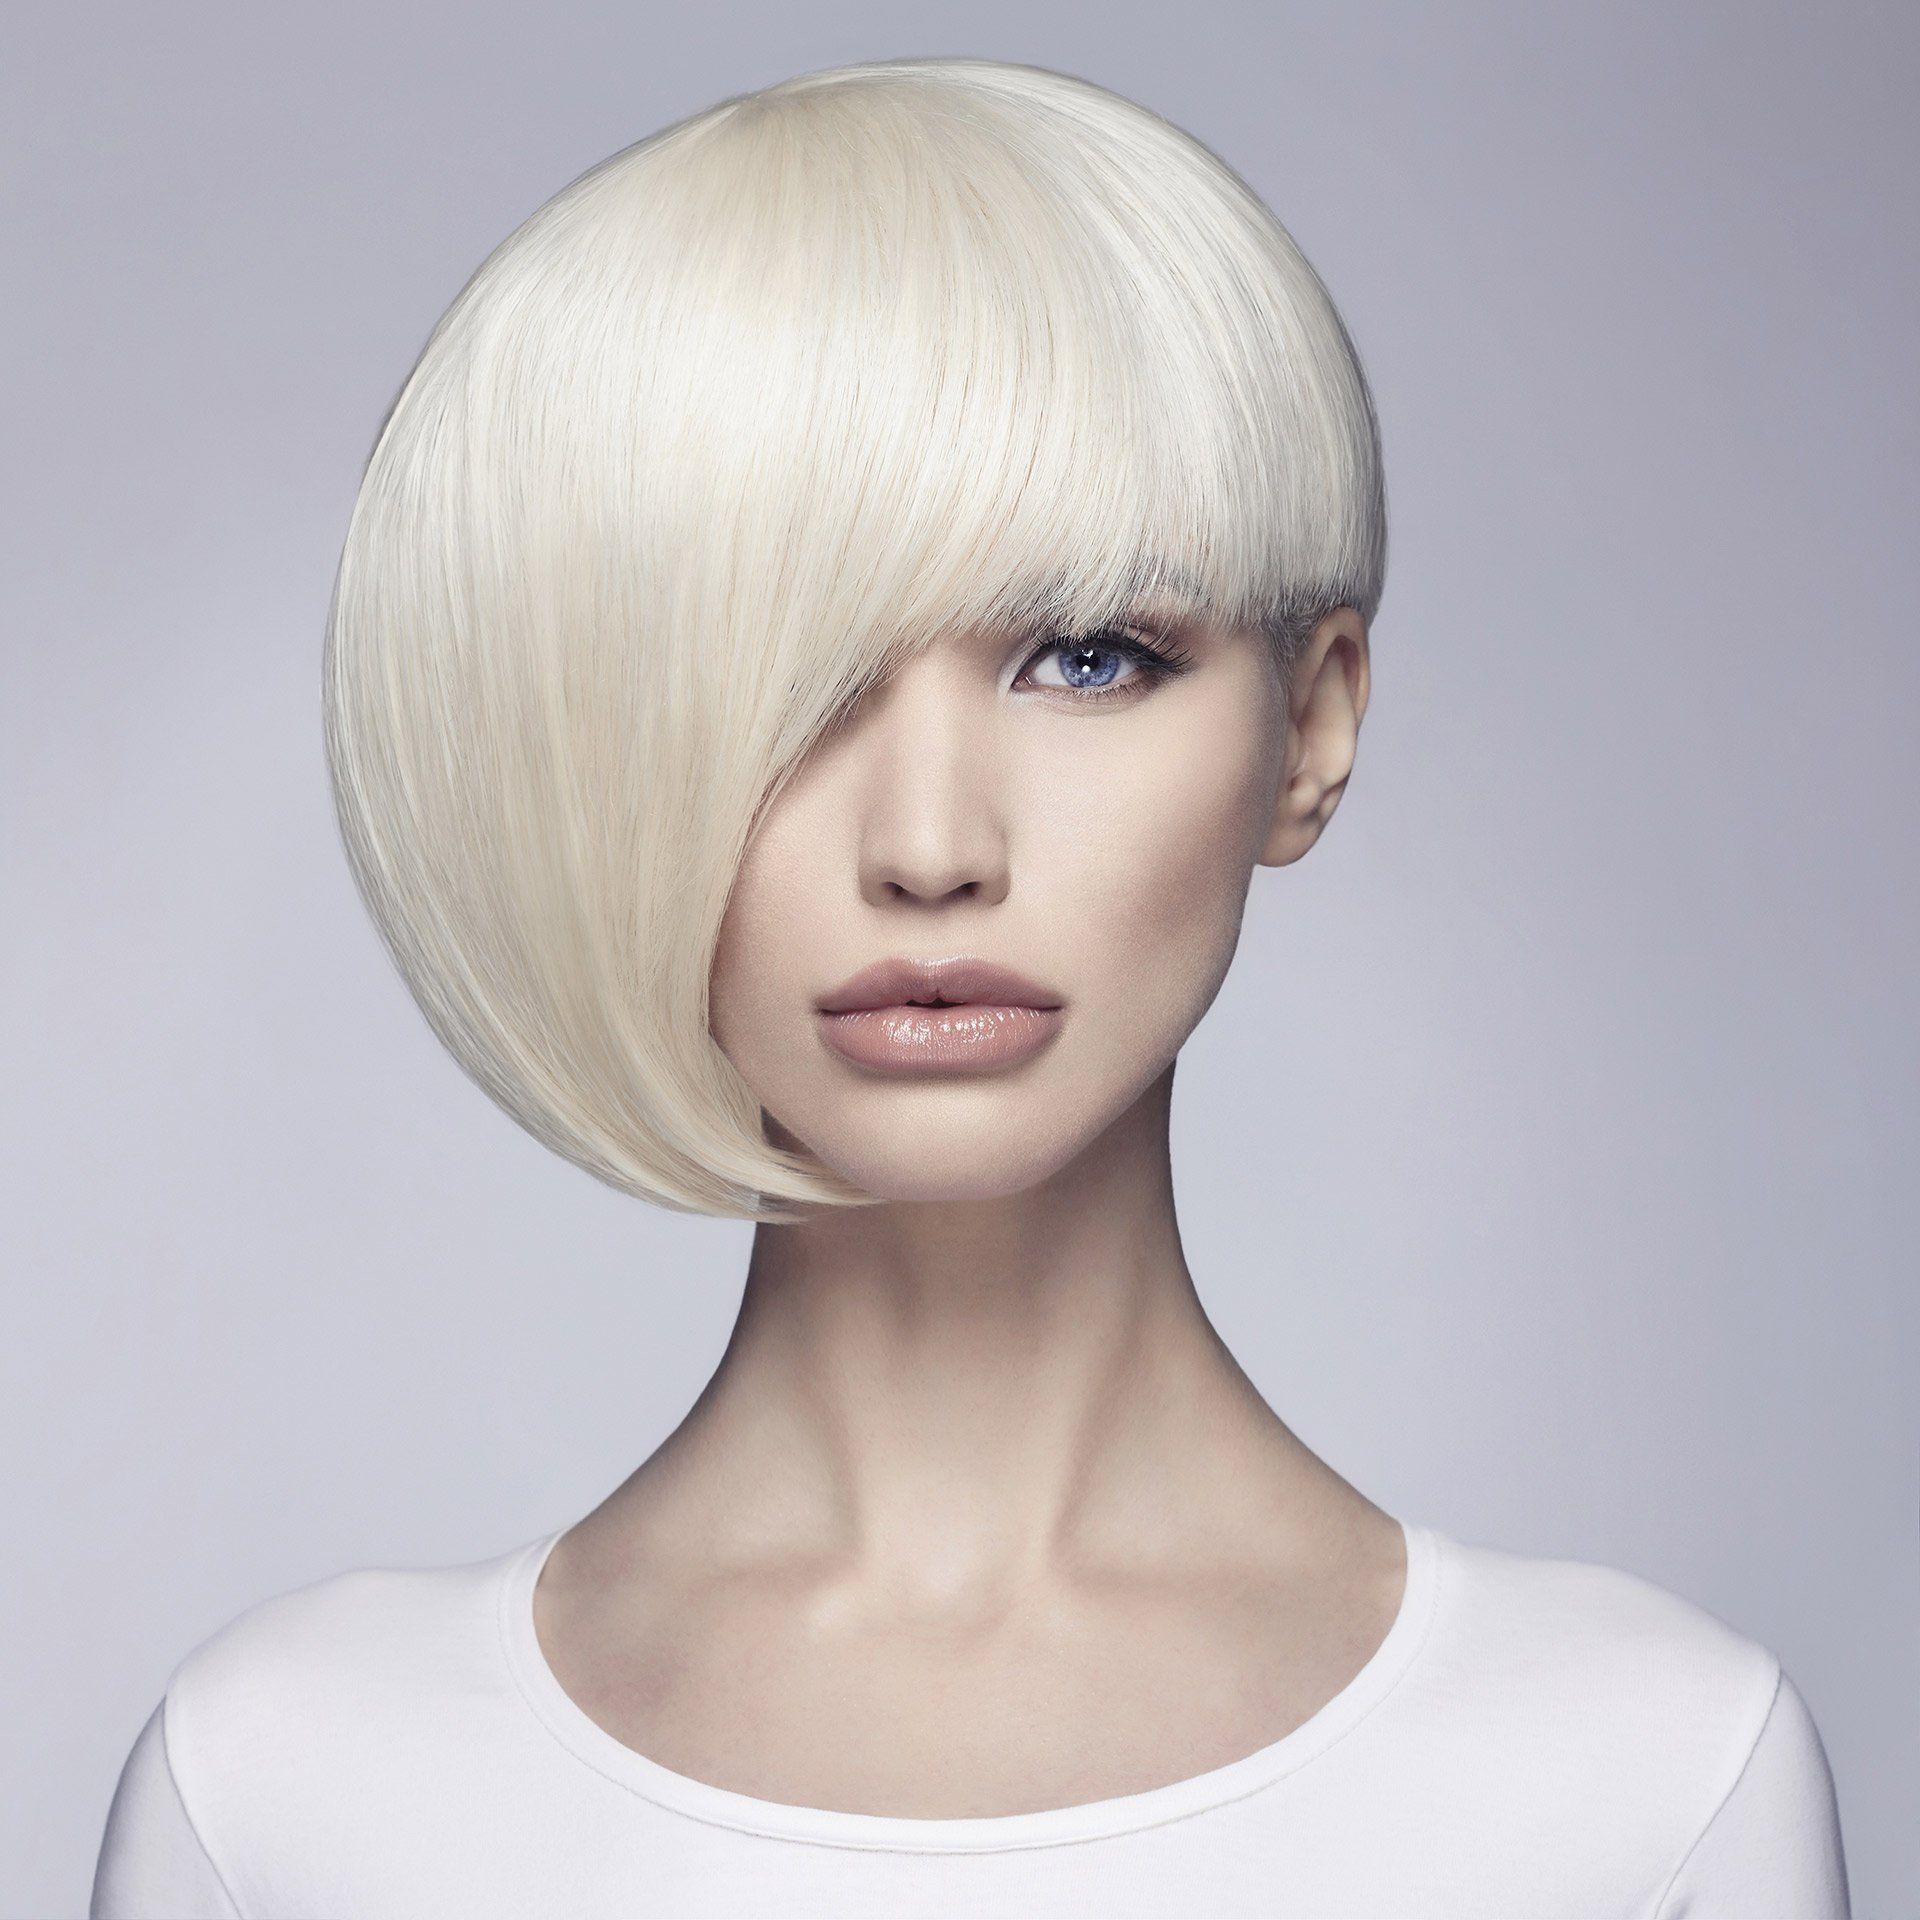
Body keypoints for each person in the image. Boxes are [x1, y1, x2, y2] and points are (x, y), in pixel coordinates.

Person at [90, 56, 1850, 1918]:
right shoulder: (290, 1795)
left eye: (1088, 658)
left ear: (1313, 728)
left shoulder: (1645, 1781)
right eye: (786, 682)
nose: (930, 845)